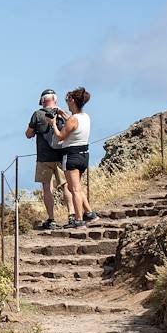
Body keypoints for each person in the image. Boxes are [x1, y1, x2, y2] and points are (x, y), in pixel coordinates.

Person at [53, 87, 95, 228]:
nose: (67, 101)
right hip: (84, 155)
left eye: (68, 99)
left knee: (74, 189)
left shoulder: (72, 120)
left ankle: (78, 219)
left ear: (72, 100)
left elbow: (60, 136)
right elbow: (73, 122)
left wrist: (53, 125)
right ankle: (89, 213)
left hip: (71, 156)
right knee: (77, 187)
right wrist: (62, 113)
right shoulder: (85, 117)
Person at [24, 89, 65, 229]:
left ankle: (51, 219)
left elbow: (28, 134)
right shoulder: (62, 114)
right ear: (56, 99)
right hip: (61, 156)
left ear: (42, 101)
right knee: (67, 187)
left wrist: (36, 129)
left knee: (47, 189)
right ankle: (73, 215)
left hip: (44, 157)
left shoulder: (37, 114)